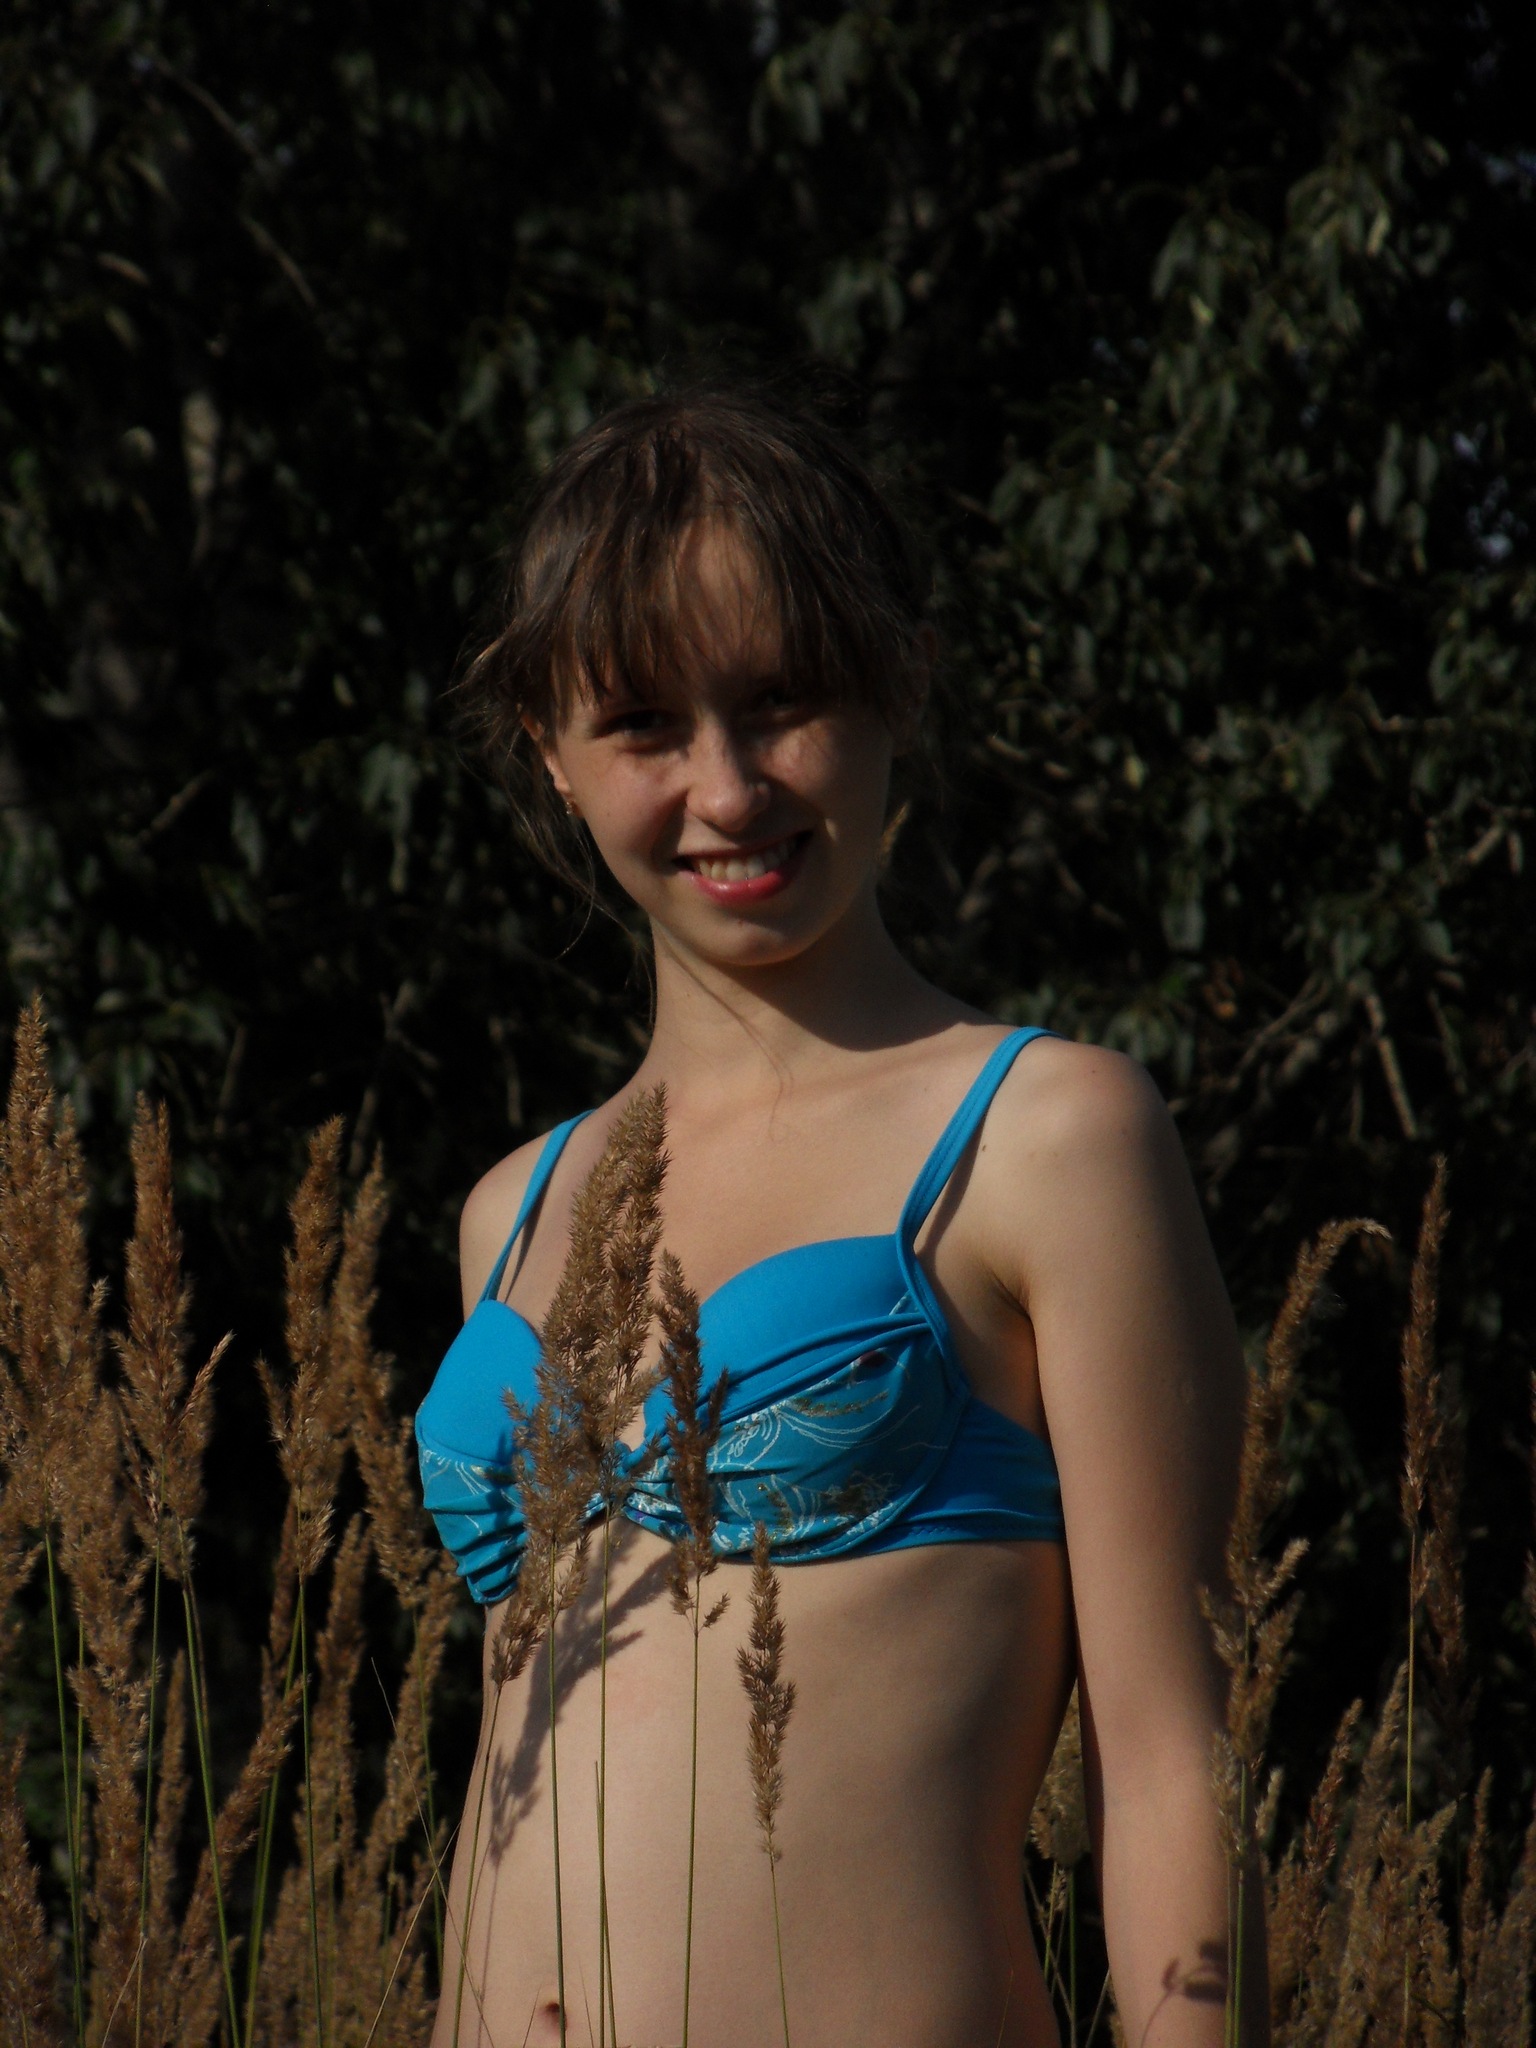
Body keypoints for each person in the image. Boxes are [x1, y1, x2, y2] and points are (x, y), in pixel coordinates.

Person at [416, 388, 1262, 2048]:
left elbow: (1174, 1757)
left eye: (781, 702)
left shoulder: (1042, 1135)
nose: (727, 790)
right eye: (644, 724)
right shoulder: (512, 1212)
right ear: (549, 754)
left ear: (902, 685)